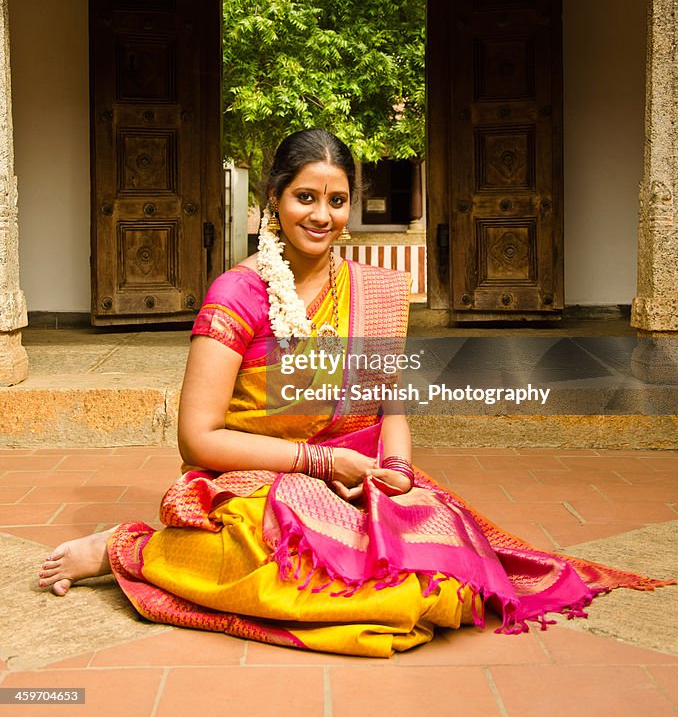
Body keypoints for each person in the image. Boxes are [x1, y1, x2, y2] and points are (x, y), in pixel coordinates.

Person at [39, 129, 670, 658]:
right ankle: (127, 549)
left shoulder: (372, 290)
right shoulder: (238, 292)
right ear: (272, 203)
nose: (322, 215)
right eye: (305, 197)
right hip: (257, 477)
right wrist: (318, 462)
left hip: (360, 470)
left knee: (442, 583)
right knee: (285, 556)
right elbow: (197, 436)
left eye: (337, 200)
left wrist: (393, 469)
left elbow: (389, 402)